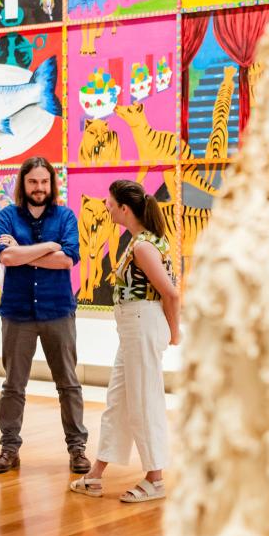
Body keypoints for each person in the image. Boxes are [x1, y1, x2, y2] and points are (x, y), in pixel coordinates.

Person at [70, 180, 180, 503]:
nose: (106, 206)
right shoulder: (139, 243)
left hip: (142, 325)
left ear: (124, 208)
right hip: (133, 328)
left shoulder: (144, 247)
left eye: (109, 202)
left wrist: (175, 332)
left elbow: (170, 292)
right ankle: (96, 475)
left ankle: (155, 478)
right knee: (118, 401)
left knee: (144, 401)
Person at [0, 157, 89, 475]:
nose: (39, 188)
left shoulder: (65, 216)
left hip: (58, 310)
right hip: (17, 313)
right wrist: (47, 245)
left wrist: (23, 252)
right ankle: (8, 449)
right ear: (24, 184)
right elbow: (5, 256)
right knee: (13, 385)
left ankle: (77, 450)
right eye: (33, 182)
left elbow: (65, 262)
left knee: (68, 384)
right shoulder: (7, 215)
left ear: (51, 184)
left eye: (44, 182)